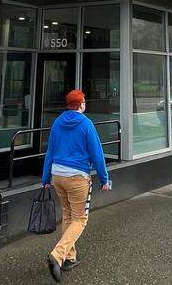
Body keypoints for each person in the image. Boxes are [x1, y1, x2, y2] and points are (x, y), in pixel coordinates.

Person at [42, 89, 111, 283]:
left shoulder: (57, 122)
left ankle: (68, 258)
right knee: (80, 219)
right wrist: (104, 179)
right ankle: (58, 254)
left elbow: (50, 151)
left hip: (57, 175)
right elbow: (97, 153)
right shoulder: (86, 124)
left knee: (68, 214)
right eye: (84, 102)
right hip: (77, 177)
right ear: (81, 105)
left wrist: (45, 177)